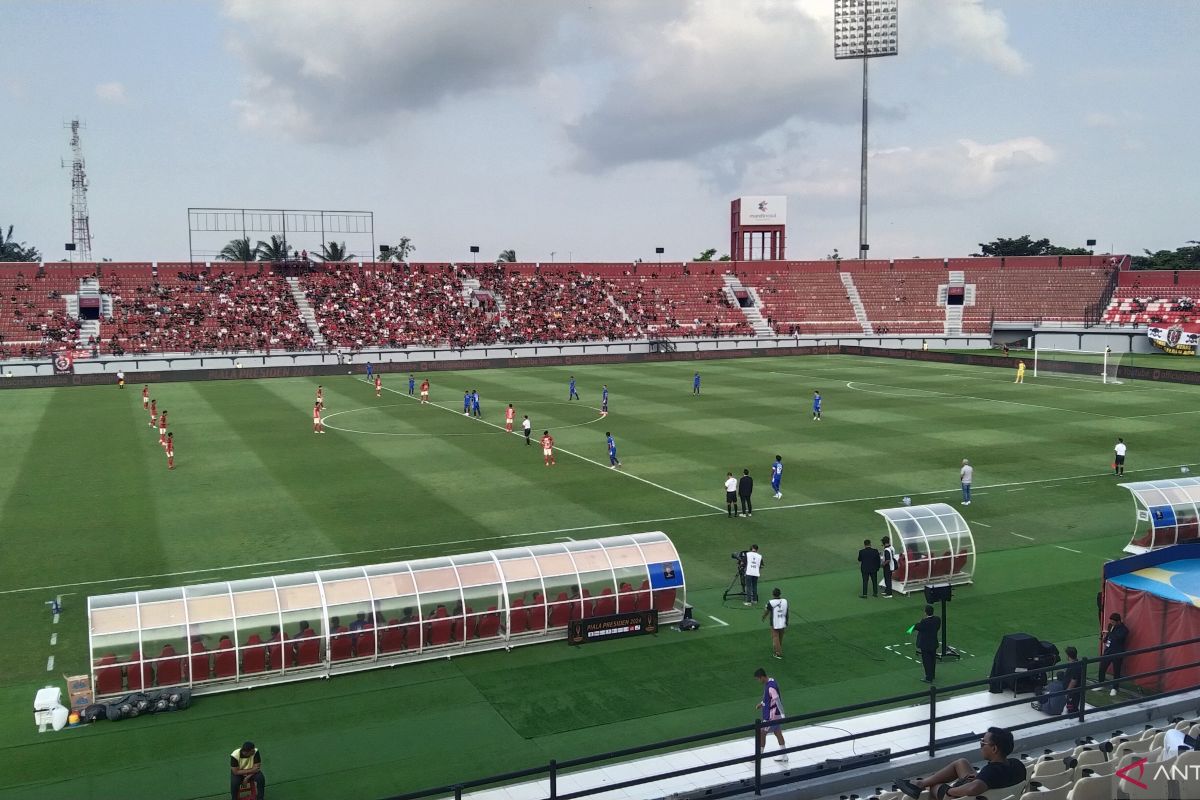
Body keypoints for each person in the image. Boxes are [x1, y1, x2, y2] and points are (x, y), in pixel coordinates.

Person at [896, 727, 1024, 800]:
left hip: (970, 797)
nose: (980, 746)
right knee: (961, 763)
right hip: (996, 793)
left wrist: (951, 790)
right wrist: (979, 778)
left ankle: (920, 785)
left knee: (934, 786)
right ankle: (920, 783)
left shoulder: (990, 772)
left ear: (994, 749)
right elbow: (993, 780)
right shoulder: (1018, 765)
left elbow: (974, 788)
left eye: (983, 743)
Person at [754, 668, 788, 763]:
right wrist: (762, 703)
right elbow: (769, 698)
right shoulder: (771, 681)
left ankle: (759, 756)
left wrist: (783, 714)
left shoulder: (770, 687)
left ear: (762, 677)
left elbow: (777, 700)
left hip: (771, 715)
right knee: (777, 732)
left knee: (762, 732)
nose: (758, 681)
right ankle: (784, 755)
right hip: (775, 714)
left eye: (758, 679)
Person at [1095, 612, 1129, 697]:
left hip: (1117, 652)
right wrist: (1104, 638)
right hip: (1108, 651)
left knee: (1116, 671)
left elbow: (1118, 638)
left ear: (1118, 621)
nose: (1111, 623)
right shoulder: (1110, 626)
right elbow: (1108, 638)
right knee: (1102, 668)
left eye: (1113, 622)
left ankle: (1115, 688)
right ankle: (1100, 684)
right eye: (1111, 622)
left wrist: (1109, 633)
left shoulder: (1124, 630)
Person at [914, 604, 941, 682]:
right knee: (932, 660)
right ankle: (932, 675)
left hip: (925, 645)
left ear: (925, 613)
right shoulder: (937, 619)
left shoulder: (924, 621)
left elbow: (917, 627)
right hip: (933, 643)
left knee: (926, 661)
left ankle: (928, 677)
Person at [762, 587, 788, 659]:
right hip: (783, 621)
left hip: (775, 622)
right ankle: (778, 647)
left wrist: (763, 617)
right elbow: (787, 611)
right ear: (780, 594)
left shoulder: (770, 602)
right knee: (780, 636)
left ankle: (778, 653)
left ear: (773, 594)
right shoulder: (785, 601)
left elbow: (766, 611)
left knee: (775, 636)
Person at [1062, 645, 1084, 714]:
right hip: (1073, 692)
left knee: (1071, 708)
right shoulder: (1076, 664)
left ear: (1068, 656)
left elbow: (1074, 680)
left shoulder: (1074, 666)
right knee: (1071, 707)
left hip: (1072, 693)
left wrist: (1068, 691)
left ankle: (1073, 717)